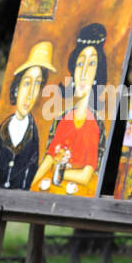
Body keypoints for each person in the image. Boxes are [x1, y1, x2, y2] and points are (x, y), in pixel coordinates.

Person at [32, 23, 108, 194]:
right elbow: (49, 159)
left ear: (98, 73)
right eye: (80, 64)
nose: (83, 73)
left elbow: (86, 176)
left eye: (91, 65)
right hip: (54, 186)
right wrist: (29, 183)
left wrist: (59, 173)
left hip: (78, 192)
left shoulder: (93, 125)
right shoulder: (65, 118)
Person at [0, 40, 54, 190]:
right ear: (17, 87)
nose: (30, 94)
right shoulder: (0, 133)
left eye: (37, 84)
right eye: (27, 83)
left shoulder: (36, 138)